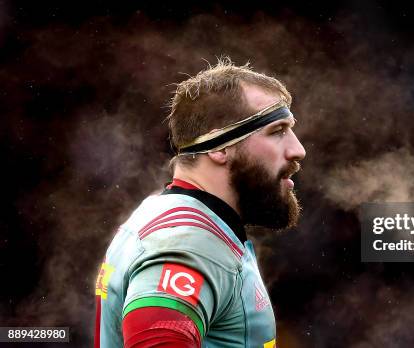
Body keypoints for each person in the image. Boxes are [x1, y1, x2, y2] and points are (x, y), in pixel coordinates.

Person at [94, 58, 306, 348]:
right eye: (277, 131)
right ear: (220, 147)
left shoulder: (167, 213)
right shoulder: (189, 242)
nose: (298, 150)